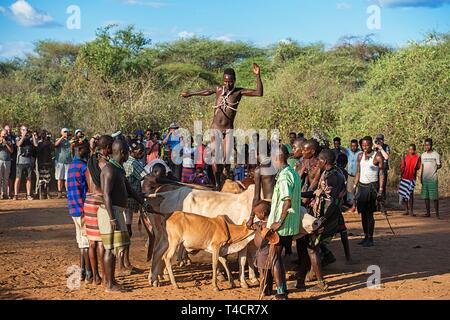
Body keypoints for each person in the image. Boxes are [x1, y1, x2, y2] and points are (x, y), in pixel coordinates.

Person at [181, 63, 264, 190]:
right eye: (225, 81)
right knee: (216, 157)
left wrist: (257, 75)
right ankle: (217, 183)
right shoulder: (219, 90)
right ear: (223, 81)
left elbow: (259, 93)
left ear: (234, 81)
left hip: (228, 130)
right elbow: (207, 91)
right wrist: (191, 94)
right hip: (215, 129)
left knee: (225, 159)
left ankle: (224, 176)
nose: (228, 84)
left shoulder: (238, 92)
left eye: (230, 82)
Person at [98, 139, 149, 292]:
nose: (128, 155)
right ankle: (109, 284)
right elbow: (106, 195)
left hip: (116, 211)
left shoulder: (118, 169)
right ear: (122, 153)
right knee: (110, 249)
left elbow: (130, 190)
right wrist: (112, 217)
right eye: (126, 152)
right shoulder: (109, 170)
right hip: (111, 212)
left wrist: (144, 203)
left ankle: (111, 281)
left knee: (114, 249)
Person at [297, 149, 347, 292]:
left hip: (326, 217)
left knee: (312, 247)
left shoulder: (332, 177)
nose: (316, 162)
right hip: (322, 214)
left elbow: (334, 202)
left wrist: (323, 219)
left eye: (319, 160)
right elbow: (317, 192)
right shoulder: (330, 173)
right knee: (310, 245)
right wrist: (298, 194)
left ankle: (321, 283)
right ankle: (301, 281)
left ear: (324, 162)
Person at [266, 145, 301, 300]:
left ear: (276, 158)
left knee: (275, 258)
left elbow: (287, 201)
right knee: (278, 258)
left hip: (282, 225)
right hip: (290, 224)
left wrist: (278, 222)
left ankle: (281, 294)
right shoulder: (293, 172)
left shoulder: (284, 176)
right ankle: (283, 290)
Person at [84, 135, 113, 286]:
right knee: (102, 242)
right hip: (100, 202)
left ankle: (95, 277)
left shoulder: (90, 161)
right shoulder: (104, 163)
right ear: (107, 147)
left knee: (91, 243)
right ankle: (105, 276)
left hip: (88, 201)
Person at [67, 139, 92, 283]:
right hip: (83, 208)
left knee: (81, 242)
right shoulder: (83, 167)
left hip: (73, 207)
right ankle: (88, 273)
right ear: (82, 152)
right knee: (86, 242)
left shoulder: (71, 165)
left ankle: (83, 271)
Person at [354, 136, 385, 247]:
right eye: (363, 145)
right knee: (362, 213)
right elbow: (358, 172)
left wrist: (380, 190)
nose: (365, 147)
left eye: (367, 145)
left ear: (371, 144)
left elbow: (381, 174)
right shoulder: (360, 156)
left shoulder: (377, 156)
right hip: (362, 187)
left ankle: (370, 238)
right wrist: (354, 185)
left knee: (369, 213)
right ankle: (366, 236)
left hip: (372, 187)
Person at [123, 141, 149, 272]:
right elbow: (147, 177)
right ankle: (125, 263)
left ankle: (125, 262)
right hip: (129, 201)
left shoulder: (126, 162)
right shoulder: (134, 163)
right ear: (133, 152)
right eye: (140, 152)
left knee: (126, 231)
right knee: (127, 232)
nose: (142, 153)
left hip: (125, 200)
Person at [14, 125, 38, 201]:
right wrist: (23, 136)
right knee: (18, 178)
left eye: (26, 130)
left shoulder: (30, 138)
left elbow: (36, 144)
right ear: (21, 130)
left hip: (28, 161)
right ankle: (16, 195)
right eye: (23, 130)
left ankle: (28, 195)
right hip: (20, 161)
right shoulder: (18, 137)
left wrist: (33, 136)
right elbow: (18, 144)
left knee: (29, 178)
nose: (25, 131)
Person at [419, 139, 441, 219]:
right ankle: (428, 213)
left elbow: (439, 165)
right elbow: (422, 166)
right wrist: (420, 176)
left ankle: (437, 214)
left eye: (428, 145)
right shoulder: (423, 155)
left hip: (433, 178)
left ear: (431, 145)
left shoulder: (436, 154)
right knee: (426, 197)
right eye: (425, 145)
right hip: (425, 178)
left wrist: (433, 168)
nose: (427, 146)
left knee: (434, 197)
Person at [399, 144, 421, 217]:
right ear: (408, 149)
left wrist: (414, 171)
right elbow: (402, 166)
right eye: (410, 149)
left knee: (410, 194)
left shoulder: (417, 157)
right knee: (404, 194)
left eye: (413, 149)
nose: (411, 150)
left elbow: (418, 167)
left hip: (412, 178)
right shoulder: (405, 157)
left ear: (415, 149)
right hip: (404, 177)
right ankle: (406, 210)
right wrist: (401, 175)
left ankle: (411, 211)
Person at [373, 134, 390, 215]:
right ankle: (376, 206)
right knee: (374, 188)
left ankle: (383, 209)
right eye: (378, 140)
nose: (379, 141)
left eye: (381, 140)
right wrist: (374, 146)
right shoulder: (374, 147)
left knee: (382, 189)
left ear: (383, 140)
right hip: (375, 170)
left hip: (383, 170)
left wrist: (381, 148)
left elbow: (386, 157)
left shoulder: (386, 147)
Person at [54, 128, 72, 199]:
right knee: (59, 178)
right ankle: (59, 192)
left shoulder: (70, 141)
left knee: (67, 178)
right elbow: (55, 144)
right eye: (64, 132)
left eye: (67, 132)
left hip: (68, 162)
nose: (66, 133)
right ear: (61, 133)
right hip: (59, 162)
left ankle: (67, 193)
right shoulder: (59, 140)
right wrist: (62, 137)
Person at [36, 130, 53, 200]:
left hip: (48, 162)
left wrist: (48, 142)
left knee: (48, 179)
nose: (45, 136)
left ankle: (48, 193)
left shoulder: (49, 143)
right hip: (41, 163)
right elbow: (38, 151)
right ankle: (40, 193)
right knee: (41, 180)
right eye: (44, 135)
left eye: (46, 135)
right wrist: (45, 144)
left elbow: (52, 149)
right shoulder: (39, 143)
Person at [346, 140, 362, 209]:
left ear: (357, 146)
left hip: (358, 175)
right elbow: (339, 147)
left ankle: (357, 205)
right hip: (349, 175)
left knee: (357, 190)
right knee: (349, 190)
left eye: (355, 146)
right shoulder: (347, 151)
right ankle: (352, 205)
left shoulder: (360, 153)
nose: (353, 147)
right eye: (352, 146)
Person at [4, 125, 17, 199]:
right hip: (4, 159)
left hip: (12, 158)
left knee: (11, 176)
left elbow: (15, 147)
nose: (8, 131)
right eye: (6, 130)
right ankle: (4, 192)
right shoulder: (2, 137)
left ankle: (10, 192)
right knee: (4, 176)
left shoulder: (13, 137)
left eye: (9, 130)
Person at [0, 129, 13, 199]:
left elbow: (11, 151)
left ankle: (4, 193)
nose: (4, 135)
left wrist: (6, 144)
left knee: (6, 178)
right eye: (3, 134)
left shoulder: (9, 140)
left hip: (7, 161)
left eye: (5, 134)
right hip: (0, 160)